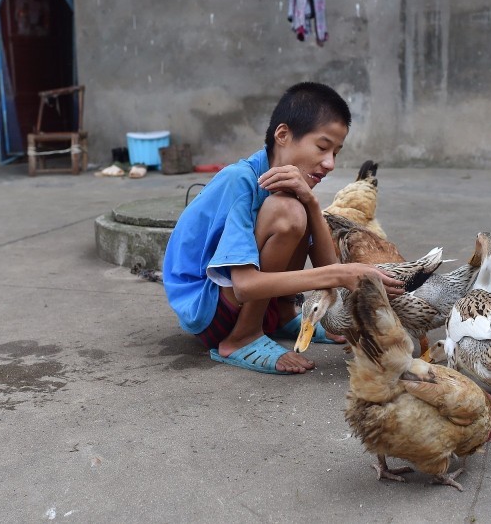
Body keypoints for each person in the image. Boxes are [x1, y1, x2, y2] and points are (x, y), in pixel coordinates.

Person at [162, 82, 403, 375]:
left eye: (336, 153)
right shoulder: (241, 181)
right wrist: (344, 272)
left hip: (245, 301)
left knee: (297, 206)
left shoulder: (290, 184)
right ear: (283, 135)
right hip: (209, 313)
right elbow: (245, 285)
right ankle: (243, 337)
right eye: (322, 147)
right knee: (287, 211)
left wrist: (313, 204)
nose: (329, 164)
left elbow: (328, 276)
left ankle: (283, 315)